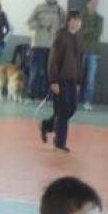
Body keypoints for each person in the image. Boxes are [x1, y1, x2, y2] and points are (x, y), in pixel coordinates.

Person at [39, 11, 84, 153]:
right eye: (73, 20)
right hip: (61, 79)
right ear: (68, 21)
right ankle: (59, 143)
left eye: (78, 21)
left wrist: (78, 81)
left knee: (71, 109)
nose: (76, 23)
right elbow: (53, 59)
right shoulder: (61, 36)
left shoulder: (79, 38)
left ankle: (47, 125)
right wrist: (53, 81)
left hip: (72, 79)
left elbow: (80, 61)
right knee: (63, 110)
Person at [26, 0, 66, 100]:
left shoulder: (60, 10)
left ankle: (46, 95)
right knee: (35, 70)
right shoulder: (39, 8)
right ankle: (31, 94)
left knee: (49, 71)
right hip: (38, 44)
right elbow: (29, 23)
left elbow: (64, 25)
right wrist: (41, 24)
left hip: (53, 45)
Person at [80, 0, 103, 110]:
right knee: (77, 76)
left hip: (93, 51)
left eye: (96, 3)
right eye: (92, 3)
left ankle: (88, 101)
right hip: (80, 50)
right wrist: (88, 30)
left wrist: (85, 30)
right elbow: (78, 32)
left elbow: (97, 33)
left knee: (91, 78)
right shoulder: (80, 17)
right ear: (87, 4)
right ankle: (73, 99)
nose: (94, 5)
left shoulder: (100, 19)